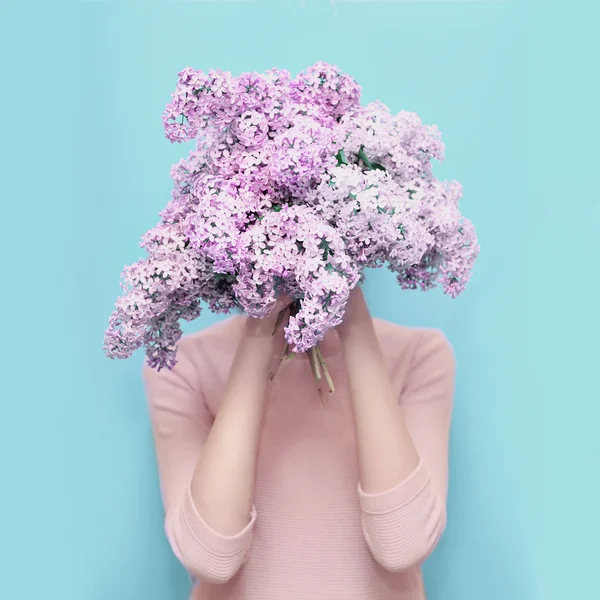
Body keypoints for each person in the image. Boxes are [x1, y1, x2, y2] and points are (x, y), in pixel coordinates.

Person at [142, 286, 456, 600]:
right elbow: (209, 558)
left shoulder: (419, 355)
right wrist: (259, 336)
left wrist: (356, 329)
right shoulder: (180, 366)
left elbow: (404, 546)